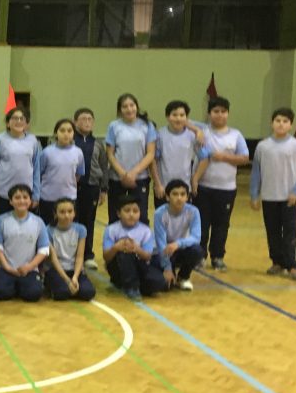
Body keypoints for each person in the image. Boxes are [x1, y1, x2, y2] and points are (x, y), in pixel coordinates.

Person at [249, 107, 296, 282]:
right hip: (269, 197)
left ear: (290, 125)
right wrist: (254, 194)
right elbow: (256, 173)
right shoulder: (262, 147)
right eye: (277, 120)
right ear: (272, 123)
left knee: (290, 232)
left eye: (285, 121)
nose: (281, 124)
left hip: (289, 199)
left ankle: (293, 264)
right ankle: (277, 261)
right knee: (272, 231)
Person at [192, 97, 250, 271]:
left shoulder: (236, 135)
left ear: (228, 113)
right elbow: (183, 121)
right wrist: (197, 130)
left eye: (223, 111)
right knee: (201, 224)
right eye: (215, 111)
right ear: (209, 113)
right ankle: (199, 256)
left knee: (221, 224)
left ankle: (218, 256)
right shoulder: (203, 130)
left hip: (226, 189)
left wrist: (223, 157)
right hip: (203, 187)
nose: (219, 115)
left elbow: (244, 158)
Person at [105, 93, 157, 225]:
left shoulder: (147, 125)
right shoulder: (114, 126)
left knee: (141, 217)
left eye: (132, 105)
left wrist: (134, 173)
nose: (129, 109)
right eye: (125, 106)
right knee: (115, 217)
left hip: (140, 179)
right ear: (120, 110)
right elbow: (110, 154)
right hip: (117, 179)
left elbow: (150, 153)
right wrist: (123, 174)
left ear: (137, 107)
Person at [0, 184, 49, 302]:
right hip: (4, 268)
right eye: (17, 198)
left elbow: (44, 250)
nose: (21, 201)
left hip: (28, 269)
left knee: (34, 294)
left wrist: (29, 267)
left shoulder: (38, 222)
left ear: (30, 200)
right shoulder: (1, 220)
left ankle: (20, 285)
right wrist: (7, 267)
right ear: (11, 201)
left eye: (25, 197)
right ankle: (12, 285)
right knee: (2, 293)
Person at [103, 193, 165, 301]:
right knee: (125, 253)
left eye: (135, 211)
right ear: (118, 213)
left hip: (139, 264)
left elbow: (147, 256)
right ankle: (131, 287)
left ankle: (132, 284)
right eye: (127, 211)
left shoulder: (145, 230)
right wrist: (116, 248)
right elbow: (106, 257)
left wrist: (137, 249)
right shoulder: (111, 229)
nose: (131, 214)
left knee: (159, 282)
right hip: (117, 266)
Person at [0, 106, 41, 216]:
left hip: (25, 195)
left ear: (26, 123)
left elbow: (36, 169)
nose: (19, 121)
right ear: (8, 123)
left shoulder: (33, 141)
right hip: (3, 194)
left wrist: (36, 194)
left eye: (22, 118)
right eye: (15, 118)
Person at [150, 100, 205, 209]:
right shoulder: (159, 135)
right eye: (174, 115)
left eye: (182, 115)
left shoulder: (192, 135)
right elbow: (153, 161)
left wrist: (195, 179)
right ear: (167, 117)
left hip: (185, 188)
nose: (178, 118)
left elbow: (205, 157)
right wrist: (157, 184)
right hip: (164, 187)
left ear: (187, 118)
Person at [153, 179, 204, 291]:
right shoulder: (160, 213)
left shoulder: (193, 211)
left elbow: (196, 237)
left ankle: (183, 277)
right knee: (165, 287)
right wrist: (167, 268)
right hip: (164, 252)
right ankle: (169, 272)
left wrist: (178, 244)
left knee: (197, 251)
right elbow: (161, 244)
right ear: (167, 197)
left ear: (187, 197)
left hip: (180, 249)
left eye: (182, 194)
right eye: (175, 194)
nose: (179, 198)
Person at [73, 107, 108, 271]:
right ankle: (72, 254)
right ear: (75, 122)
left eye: (89, 119)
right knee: (72, 220)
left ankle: (87, 255)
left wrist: (104, 189)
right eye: (83, 119)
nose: (87, 122)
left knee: (88, 221)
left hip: (92, 187)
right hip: (72, 188)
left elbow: (104, 167)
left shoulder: (98, 144)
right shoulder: (70, 141)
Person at [45, 197, 95, 302]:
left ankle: (71, 288)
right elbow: (53, 259)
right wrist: (67, 280)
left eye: (70, 211)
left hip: (74, 270)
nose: (66, 215)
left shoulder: (81, 229)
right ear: (55, 214)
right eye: (62, 212)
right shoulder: (48, 230)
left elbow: (80, 257)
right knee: (62, 293)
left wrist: (75, 278)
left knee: (88, 292)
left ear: (74, 213)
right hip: (57, 270)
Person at [38, 118, 85, 227]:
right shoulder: (46, 152)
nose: (66, 134)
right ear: (56, 133)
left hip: (69, 198)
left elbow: (78, 174)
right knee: (48, 229)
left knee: (68, 230)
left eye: (69, 131)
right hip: (48, 199)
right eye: (62, 130)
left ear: (73, 133)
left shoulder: (78, 152)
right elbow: (39, 173)